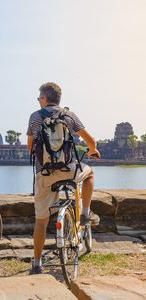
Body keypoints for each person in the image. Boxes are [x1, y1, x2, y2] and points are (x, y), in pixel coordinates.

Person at [27, 82, 101, 274]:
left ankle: (36, 263)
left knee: (41, 221)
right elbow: (91, 141)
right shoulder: (69, 115)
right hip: (68, 169)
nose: (38, 101)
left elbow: (30, 148)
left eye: (39, 98)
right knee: (89, 173)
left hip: (43, 173)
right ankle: (85, 213)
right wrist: (93, 150)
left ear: (44, 99)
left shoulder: (35, 117)